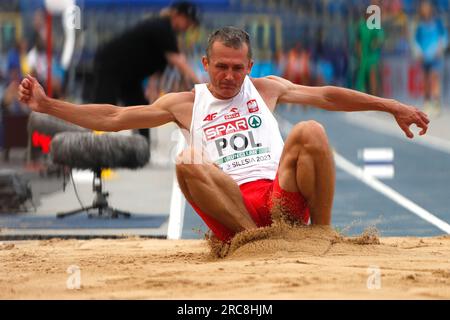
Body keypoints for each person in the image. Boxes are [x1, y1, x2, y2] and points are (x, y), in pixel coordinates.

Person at [18, 26, 429, 243]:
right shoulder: (184, 103)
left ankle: (319, 235)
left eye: (237, 67)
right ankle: (254, 241)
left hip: (279, 193)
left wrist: (392, 105)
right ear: (205, 63)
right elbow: (113, 116)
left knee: (311, 129)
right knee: (186, 160)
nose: (230, 76)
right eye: (221, 67)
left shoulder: (267, 88)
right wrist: (49, 105)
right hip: (230, 207)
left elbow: (328, 96)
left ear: (249, 65)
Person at [90, 1, 200, 143]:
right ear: (176, 15)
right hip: (111, 65)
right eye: (187, 21)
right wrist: (201, 86)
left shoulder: (168, 34)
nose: (188, 26)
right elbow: (180, 62)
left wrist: (153, 90)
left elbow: (158, 70)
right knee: (104, 108)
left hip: (131, 75)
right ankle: (96, 147)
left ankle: (142, 148)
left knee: (140, 109)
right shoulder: (162, 27)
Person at [413, 0, 448, 116]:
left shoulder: (437, 23)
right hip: (424, 58)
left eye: (427, 7)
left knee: (434, 78)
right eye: (424, 8)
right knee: (426, 80)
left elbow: (445, 37)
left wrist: (440, 48)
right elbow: (416, 40)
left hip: (435, 57)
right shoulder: (420, 25)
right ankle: (427, 103)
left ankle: (437, 103)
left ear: (431, 9)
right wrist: (418, 51)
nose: (426, 10)